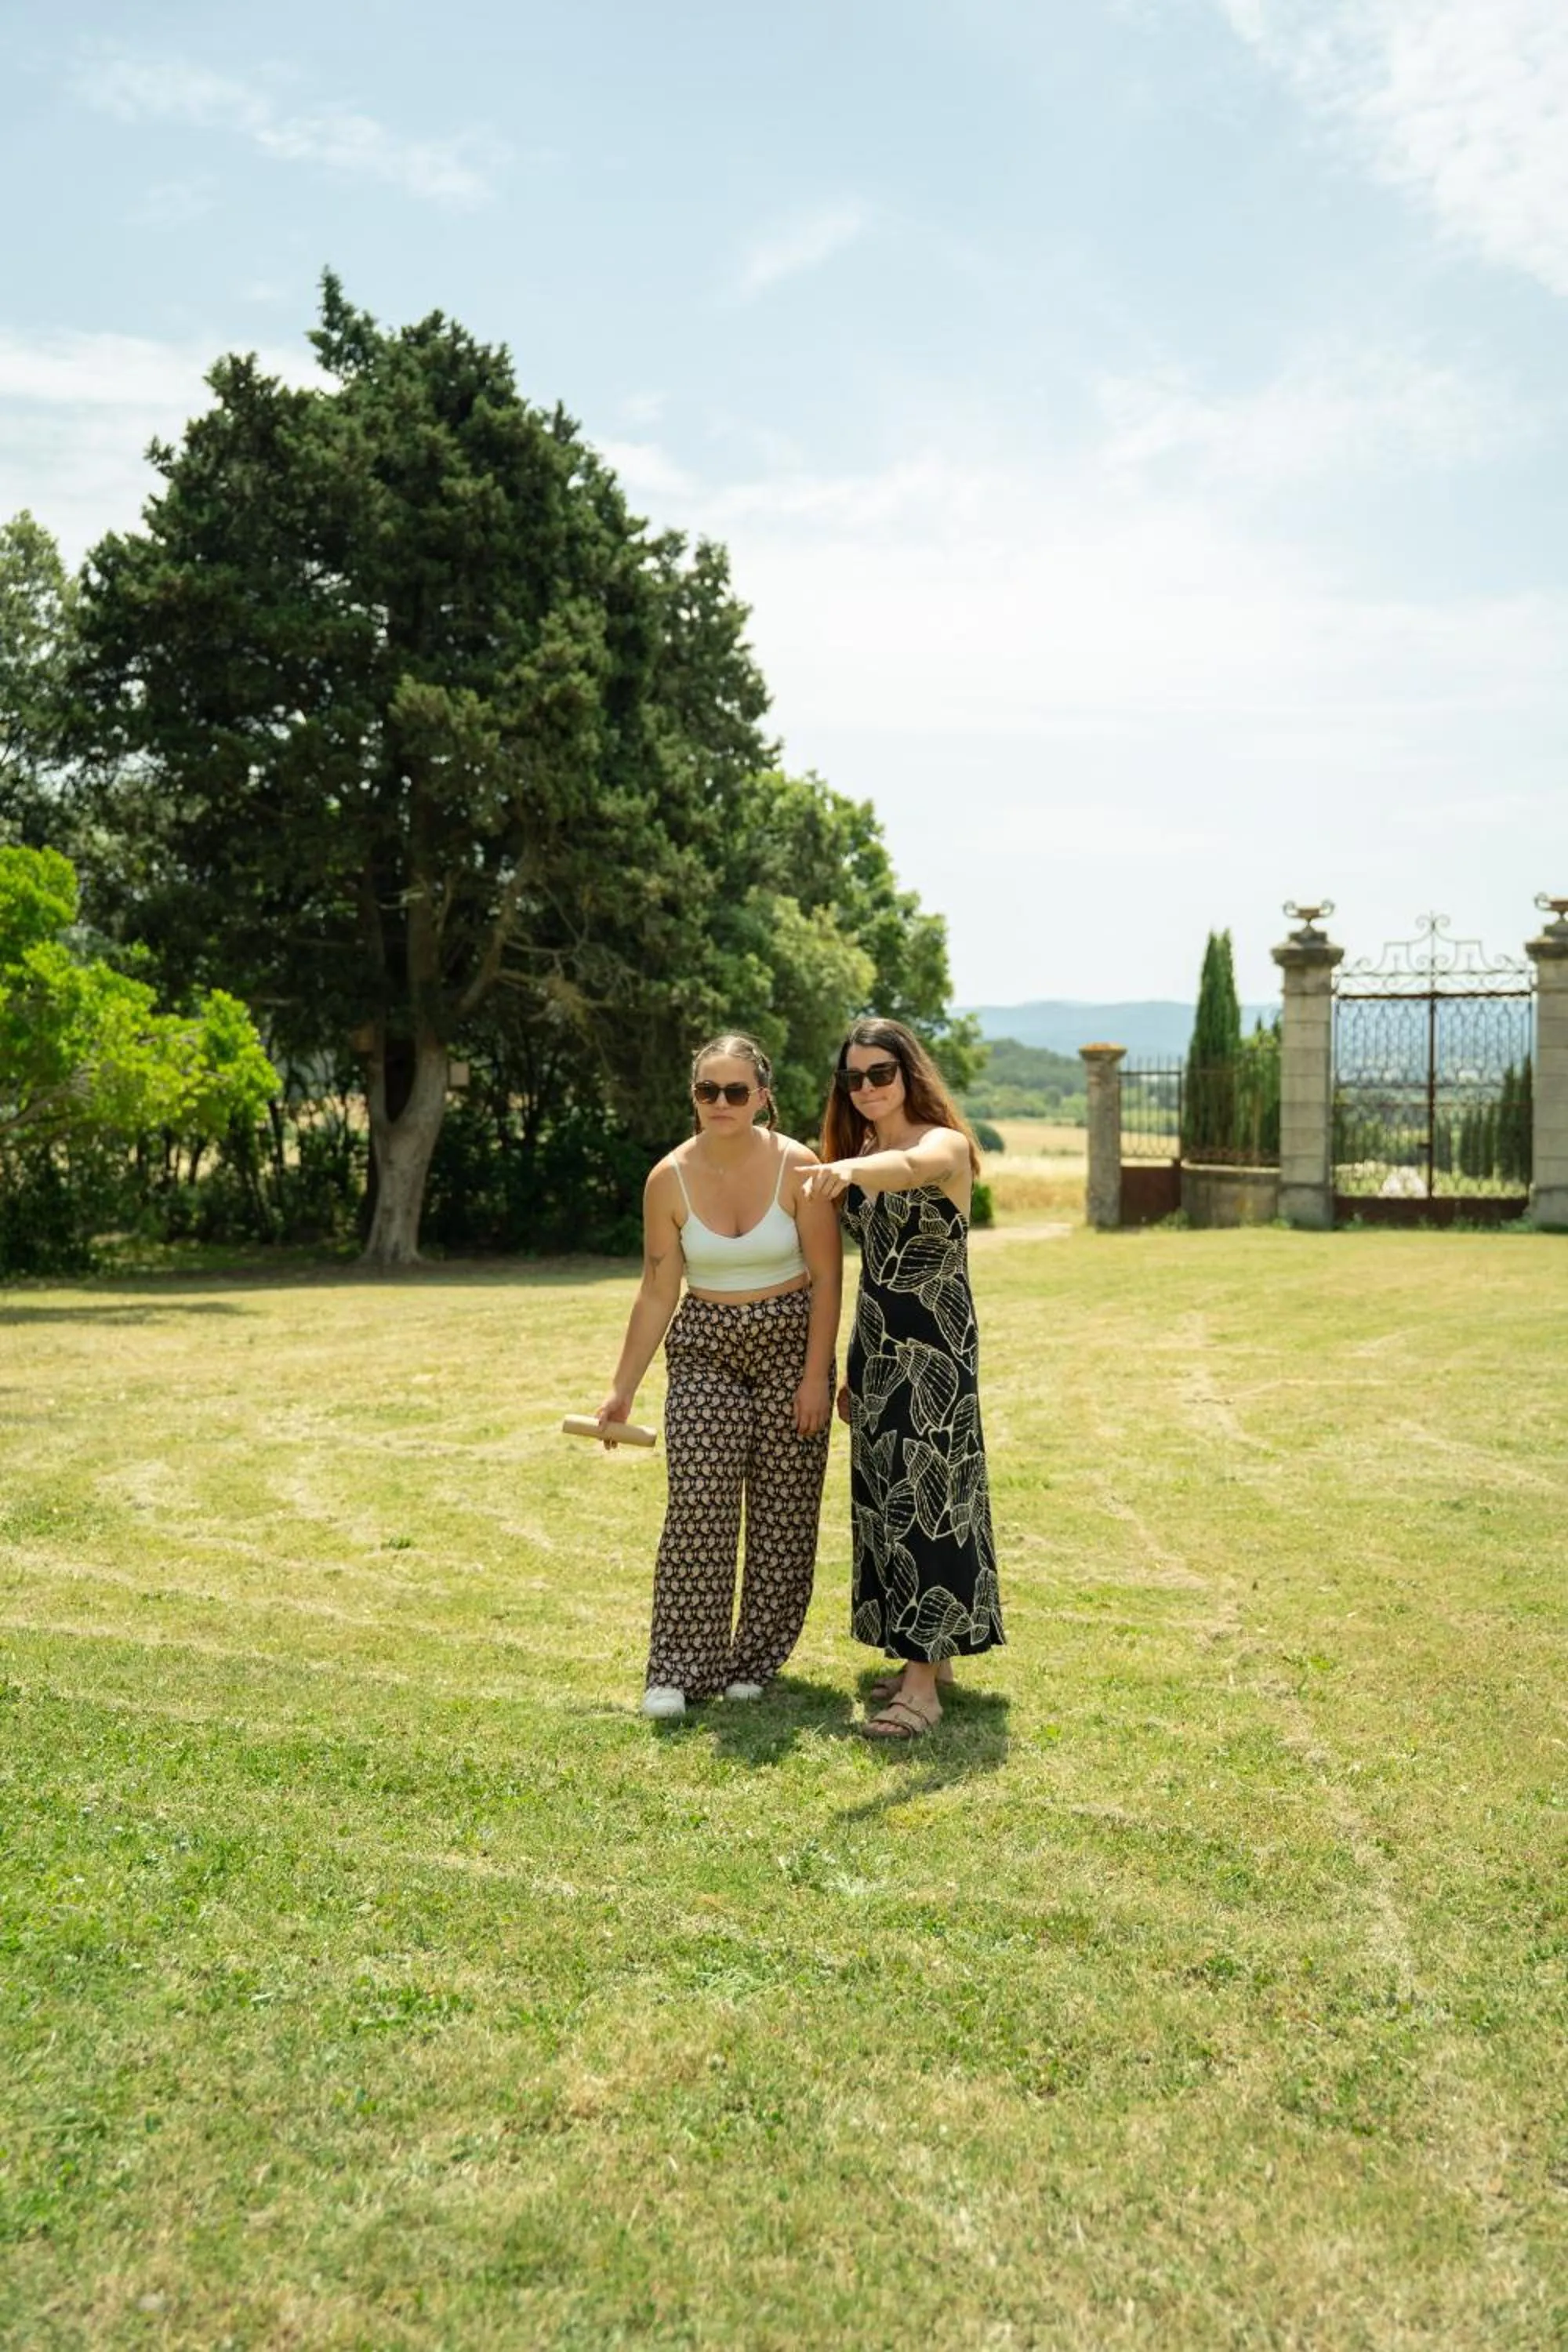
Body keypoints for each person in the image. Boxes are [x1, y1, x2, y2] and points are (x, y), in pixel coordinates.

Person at [597, 1033, 842, 1720]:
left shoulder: (800, 1167)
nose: (723, 1103)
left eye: (737, 1091)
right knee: (698, 1502)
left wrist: (816, 1376)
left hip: (791, 1341)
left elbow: (827, 1277)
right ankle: (676, 1670)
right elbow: (656, 1289)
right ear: (694, 1099)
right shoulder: (666, 1179)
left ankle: (754, 1662)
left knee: (783, 1513)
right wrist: (622, 1387)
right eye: (709, 1091)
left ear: (763, 1095)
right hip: (705, 1344)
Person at [803, 1018, 1003, 1739]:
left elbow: (913, 1172)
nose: (865, 1088)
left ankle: (921, 1691)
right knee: (888, 1499)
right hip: (880, 1344)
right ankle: (931, 1658)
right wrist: (854, 1366)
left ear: (908, 1072)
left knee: (930, 1498)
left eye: (879, 1074)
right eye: (852, 1078)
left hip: (937, 1349)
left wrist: (849, 1172)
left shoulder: (940, 1143)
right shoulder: (862, 1148)